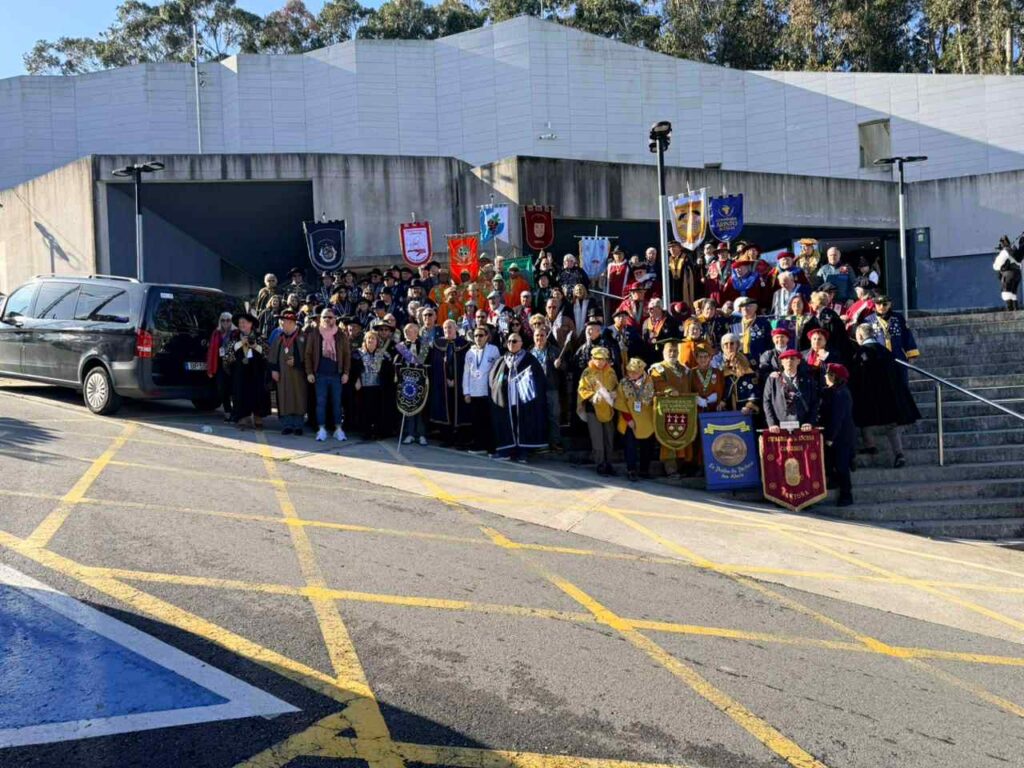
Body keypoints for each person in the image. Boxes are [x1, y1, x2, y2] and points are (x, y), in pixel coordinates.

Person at [849, 323, 920, 468]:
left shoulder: (861, 352)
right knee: (891, 424)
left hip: (867, 393)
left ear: (860, 336)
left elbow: (856, 375)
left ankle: (870, 445)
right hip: (889, 393)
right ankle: (899, 454)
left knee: (864, 418)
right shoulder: (886, 351)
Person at [489, 333, 548, 463]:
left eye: (515, 341)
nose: (511, 343)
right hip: (507, 401)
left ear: (521, 343)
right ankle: (506, 451)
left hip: (524, 401)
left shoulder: (530, 359)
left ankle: (523, 453)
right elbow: (494, 379)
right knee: (508, 426)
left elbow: (539, 380)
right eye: (509, 341)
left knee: (523, 426)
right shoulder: (502, 360)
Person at [650, 338, 696, 478]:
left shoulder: (684, 369)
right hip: (667, 410)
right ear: (664, 352)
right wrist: (669, 390)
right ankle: (671, 469)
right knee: (668, 438)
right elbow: (657, 383)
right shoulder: (658, 368)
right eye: (670, 350)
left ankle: (682, 467)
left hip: (683, 409)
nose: (673, 353)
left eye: (675, 351)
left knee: (683, 436)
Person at [304, 307, 351, 442]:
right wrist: (309, 372)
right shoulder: (314, 334)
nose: (327, 319)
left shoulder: (341, 335)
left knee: (337, 403)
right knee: (320, 403)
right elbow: (308, 354)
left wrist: (346, 373)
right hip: (320, 374)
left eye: (330, 317)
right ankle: (321, 429)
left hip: (336, 375)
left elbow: (347, 355)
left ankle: (338, 429)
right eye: (324, 317)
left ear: (335, 319)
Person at [224, 312, 271, 429]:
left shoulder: (260, 337)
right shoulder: (234, 337)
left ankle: (258, 416)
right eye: (240, 323)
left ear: (251, 324)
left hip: (256, 372)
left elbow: (268, 353)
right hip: (240, 372)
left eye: (244, 322)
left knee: (257, 393)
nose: (241, 325)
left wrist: (255, 346)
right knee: (240, 393)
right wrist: (240, 344)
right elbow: (227, 355)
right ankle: (243, 417)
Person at [577, 347, 618, 476]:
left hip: (608, 409)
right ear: (592, 358)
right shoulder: (587, 372)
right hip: (593, 409)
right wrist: (592, 396)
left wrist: (615, 393)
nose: (600, 362)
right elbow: (582, 390)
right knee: (597, 439)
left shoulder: (611, 372)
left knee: (609, 438)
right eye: (597, 359)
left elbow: (617, 387)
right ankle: (600, 464)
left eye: (603, 359)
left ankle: (609, 464)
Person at [429, 319, 471, 446]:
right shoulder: (437, 345)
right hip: (443, 384)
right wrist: (446, 379)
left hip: (460, 384)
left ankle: (460, 439)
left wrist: (455, 380)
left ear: (456, 329)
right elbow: (435, 365)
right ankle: (447, 438)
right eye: (445, 328)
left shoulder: (464, 345)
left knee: (460, 410)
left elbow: (466, 366)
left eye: (450, 327)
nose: (447, 330)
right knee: (445, 409)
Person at [614, 358, 656, 481]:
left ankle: (644, 470)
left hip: (647, 418)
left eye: (635, 372)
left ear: (641, 371)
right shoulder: (623, 383)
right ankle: (631, 470)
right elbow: (620, 402)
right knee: (630, 446)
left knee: (647, 445)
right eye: (629, 371)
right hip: (630, 419)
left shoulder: (650, 381)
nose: (631, 374)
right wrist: (628, 419)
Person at [463, 324, 501, 455]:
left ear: (487, 337)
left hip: (488, 391)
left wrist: (496, 388)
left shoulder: (494, 350)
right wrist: (466, 392)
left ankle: (491, 447)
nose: (478, 338)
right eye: (476, 336)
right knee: (476, 420)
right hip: (474, 392)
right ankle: (479, 446)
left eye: (481, 335)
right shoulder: (469, 352)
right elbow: (466, 373)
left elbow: (498, 369)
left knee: (488, 420)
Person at [822, 363, 856, 507]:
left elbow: (838, 418)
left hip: (841, 437)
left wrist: (830, 437)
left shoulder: (841, 393)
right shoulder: (832, 391)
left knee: (842, 467)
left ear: (834, 376)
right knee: (831, 464)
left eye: (827, 374)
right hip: (837, 435)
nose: (825, 376)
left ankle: (846, 495)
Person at [268, 310, 307, 435]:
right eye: (282, 322)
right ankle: (287, 425)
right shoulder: (279, 338)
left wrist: (297, 361)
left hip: (298, 376)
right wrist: (274, 370)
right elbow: (272, 355)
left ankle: (298, 425)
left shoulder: (302, 337)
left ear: (291, 323)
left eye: (284, 322)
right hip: (283, 375)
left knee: (298, 398)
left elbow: (308, 355)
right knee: (284, 398)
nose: (282, 324)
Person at [763, 349, 818, 431]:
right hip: (778, 427)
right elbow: (767, 402)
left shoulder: (808, 380)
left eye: (792, 358)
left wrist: (809, 422)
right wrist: (772, 423)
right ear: (782, 362)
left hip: (803, 426)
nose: (789, 361)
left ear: (798, 361)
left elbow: (814, 402)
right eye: (786, 359)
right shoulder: (773, 380)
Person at [529, 322, 564, 452]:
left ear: (546, 336)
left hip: (551, 388)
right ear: (533, 337)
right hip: (535, 389)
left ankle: (555, 442)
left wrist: (560, 365)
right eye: (537, 336)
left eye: (542, 335)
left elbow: (565, 366)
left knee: (553, 416)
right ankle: (539, 442)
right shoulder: (529, 353)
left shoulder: (554, 351)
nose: (539, 338)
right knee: (537, 416)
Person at [395, 323, 430, 446]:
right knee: (408, 407)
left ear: (417, 333)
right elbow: (396, 363)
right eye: (406, 332)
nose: (408, 334)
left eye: (411, 332)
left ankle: (421, 435)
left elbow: (427, 362)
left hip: (421, 382)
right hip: (406, 382)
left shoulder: (424, 346)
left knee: (420, 409)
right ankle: (409, 434)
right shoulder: (401, 347)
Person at [868, 295, 920, 370]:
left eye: (885, 304)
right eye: (878, 304)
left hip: (898, 356)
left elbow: (907, 335)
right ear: (875, 305)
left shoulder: (898, 318)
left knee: (900, 376)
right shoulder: (869, 320)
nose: (882, 307)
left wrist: (911, 354)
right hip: (878, 358)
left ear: (890, 304)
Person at [353, 330, 389, 440]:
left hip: (378, 387)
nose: (370, 340)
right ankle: (366, 431)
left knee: (377, 410)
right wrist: (356, 379)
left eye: (373, 338)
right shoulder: (358, 353)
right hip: (364, 387)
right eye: (368, 338)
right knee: (364, 409)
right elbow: (353, 369)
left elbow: (388, 370)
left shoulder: (383, 354)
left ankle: (377, 431)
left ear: (377, 341)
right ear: (365, 340)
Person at [717, 334, 759, 416]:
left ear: (737, 345)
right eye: (726, 344)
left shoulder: (748, 358)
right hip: (727, 404)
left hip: (746, 401)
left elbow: (754, 379)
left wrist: (750, 405)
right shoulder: (718, 361)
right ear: (722, 347)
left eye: (732, 343)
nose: (729, 346)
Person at [206, 311, 236, 421]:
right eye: (223, 320)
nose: (225, 322)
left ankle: (236, 412)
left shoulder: (235, 333)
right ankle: (227, 411)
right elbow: (211, 350)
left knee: (234, 389)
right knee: (222, 389)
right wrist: (210, 368)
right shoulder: (216, 333)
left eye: (228, 320)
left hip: (232, 365)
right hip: (219, 364)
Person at [731, 296, 772, 361]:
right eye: (742, 306)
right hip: (739, 358)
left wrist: (766, 357)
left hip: (759, 358)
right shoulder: (734, 323)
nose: (745, 308)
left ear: (755, 308)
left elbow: (769, 342)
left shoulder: (763, 323)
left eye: (748, 306)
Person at [667, 239, 702, 307]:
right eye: (670, 247)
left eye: (674, 246)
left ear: (680, 248)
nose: (672, 249)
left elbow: (692, 273)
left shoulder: (686, 258)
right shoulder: (668, 260)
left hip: (683, 286)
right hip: (672, 286)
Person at [993, 235, 1022, 310]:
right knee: (1013, 293)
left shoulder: (1004, 252)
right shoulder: (1014, 251)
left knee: (1006, 293)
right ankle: (1016, 310)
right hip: (1017, 274)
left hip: (1008, 274)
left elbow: (996, 265)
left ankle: (1010, 311)